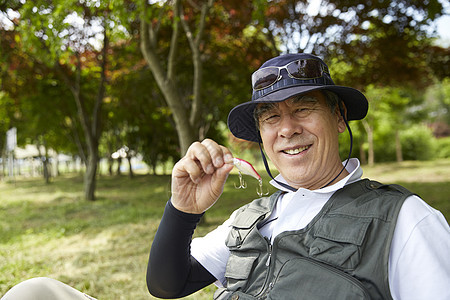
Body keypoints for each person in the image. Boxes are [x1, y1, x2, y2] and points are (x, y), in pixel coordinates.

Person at [146, 53, 450, 300]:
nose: (287, 129)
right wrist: (183, 209)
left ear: (339, 117)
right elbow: (167, 285)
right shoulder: (252, 218)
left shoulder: (404, 219)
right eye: (271, 116)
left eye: (303, 108)